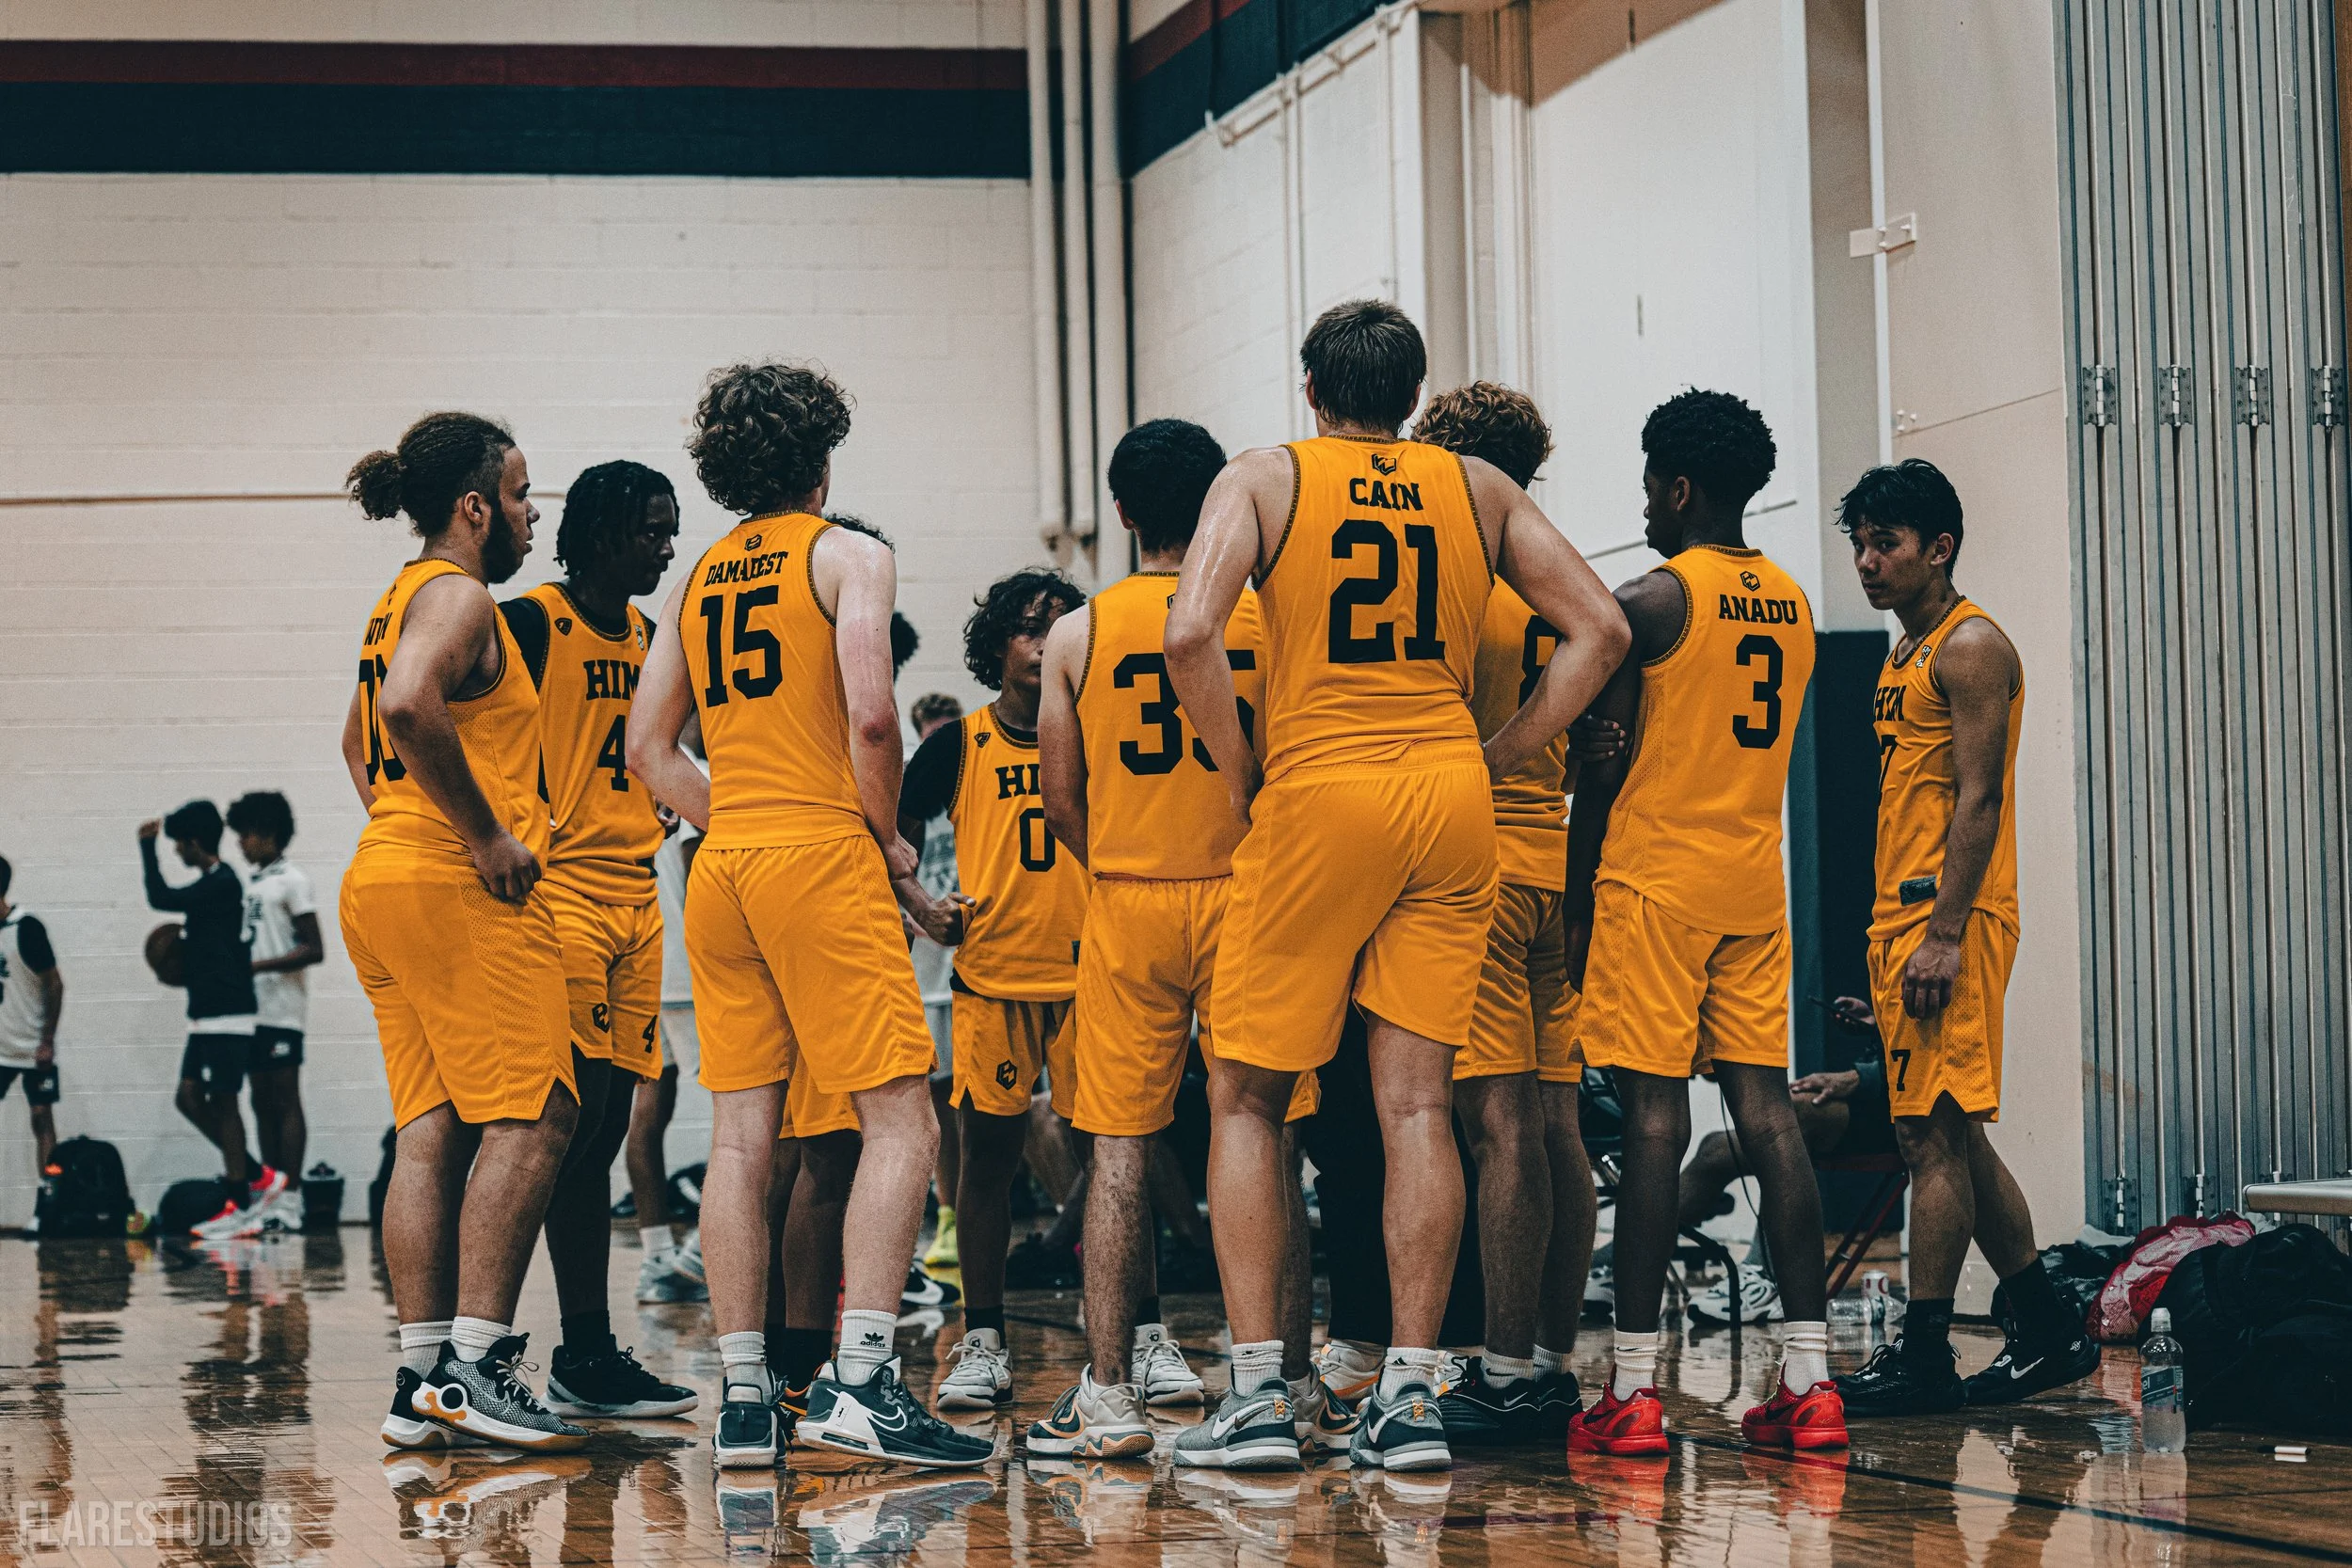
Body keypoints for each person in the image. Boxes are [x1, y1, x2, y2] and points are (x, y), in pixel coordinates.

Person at [1164, 299, 1628, 1471]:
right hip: (1451, 800)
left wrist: (1244, 769)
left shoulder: (1267, 475)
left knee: (1248, 1095)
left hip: (1324, 787)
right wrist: (1507, 753)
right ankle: (1413, 1399)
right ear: (1411, 394)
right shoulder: (1476, 485)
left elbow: (1188, 635)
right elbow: (1602, 628)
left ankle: (1263, 1396)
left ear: (1308, 386)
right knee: (1419, 1102)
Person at [627, 361, 990, 1470]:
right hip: (817, 856)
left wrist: (732, 815)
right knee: (901, 1121)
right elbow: (874, 719)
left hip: (723, 867)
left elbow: (646, 749)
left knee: (740, 1138)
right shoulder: (849, 553)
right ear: (824, 455)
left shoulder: (696, 579)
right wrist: (877, 843)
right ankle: (867, 1382)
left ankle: (745, 1399)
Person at [1028, 419, 1322, 1460]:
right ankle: (1287, 1381)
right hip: (1252, 891)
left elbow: (1061, 801)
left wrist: (1120, 855)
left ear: (1118, 512)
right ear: (1214, 505)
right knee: (1268, 1137)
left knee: (1118, 1148)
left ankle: (1107, 1396)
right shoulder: (1265, 620)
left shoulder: (1077, 633)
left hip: (1130, 896)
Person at [1561, 389, 1844, 1456]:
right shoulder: (1793, 602)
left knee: (1650, 1126)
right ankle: (1812, 1379)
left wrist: (1580, 900)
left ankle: (1630, 1389)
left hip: (1653, 880)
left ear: (1676, 486)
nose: (1643, 502)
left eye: (1647, 483)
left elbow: (1601, 773)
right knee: (1765, 1114)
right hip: (1749, 883)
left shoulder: (1650, 600)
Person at [340, 411, 586, 1452]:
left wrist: (415, 837)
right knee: (539, 1113)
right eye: (525, 494)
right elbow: (404, 708)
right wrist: (482, 835)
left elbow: (354, 742)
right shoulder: (460, 593)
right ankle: (482, 1367)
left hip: (386, 880)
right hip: (448, 883)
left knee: (431, 1126)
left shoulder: (394, 599)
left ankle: (421, 1375)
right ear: (476, 505)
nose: (534, 515)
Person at [1833, 459, 2098, 1414]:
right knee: (1952, 1131)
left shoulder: (1970, 645)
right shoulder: (1902, 650)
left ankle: (1923, 1352)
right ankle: (2047, 1323)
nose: (1866, 561)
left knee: (1928, 1136)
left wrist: (1944, 935)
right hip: (1904, 918)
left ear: (1937, 547)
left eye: (1885, 543)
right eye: (1857, 542)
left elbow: (1979, 800)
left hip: (1951, 914)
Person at [1406, 382, 1598, 1442]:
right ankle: (1558, 1357)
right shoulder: (1560, 577)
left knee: (1498, 1123)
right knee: (1558, 1119)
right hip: (1560, 862)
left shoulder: (1457, 579)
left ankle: (1508, 1364)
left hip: (1474, 865)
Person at [499, 459, 699, 1422]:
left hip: (636, 898)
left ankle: (588, 1352)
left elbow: (663, 749)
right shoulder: (533, 620)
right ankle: (523, 1346)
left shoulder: (659, 637)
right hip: (558, 896)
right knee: (561, 1133)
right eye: (655, 526)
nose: (667, 544)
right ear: (609, 526)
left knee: (609, 1130)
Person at [896, 569, 1089, 1413]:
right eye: (1027, 626)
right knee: (986, 1166)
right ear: (997, 646)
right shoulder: (957, 745)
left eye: (1060, 622)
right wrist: (925, 911)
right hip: (994, 978)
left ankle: (1142, 1333)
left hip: (1091, 975)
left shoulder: (1097, 730)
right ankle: (983, 1338)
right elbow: (893, 841)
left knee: (1115, 1159)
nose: (1045, 638)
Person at [1679, 996, 1896, 1325]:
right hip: (1879, 1088)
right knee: (1714, 1149)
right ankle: (1613, 1264)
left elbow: (1937, 1047)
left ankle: (1765, 1276)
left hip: (1899, 1111)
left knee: (1790, 1114)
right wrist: (1875, 1024)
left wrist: (1859, 1077)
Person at [142, 800, 286, 1240]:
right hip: (207, 1013)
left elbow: (160, 897)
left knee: (224, 1103)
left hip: (228, 1013)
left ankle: (242, 1206)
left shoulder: (222, 883)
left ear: (192, 843)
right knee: (188, 1098)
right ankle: (259, 1176)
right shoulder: (213, 883)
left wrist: (145, 847)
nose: (177, 854)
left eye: (178, 846)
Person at [227, 791, 321, 1232]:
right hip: (250, 1012)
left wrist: (256, 966)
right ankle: (270, 1192)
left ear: (268, 833)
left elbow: (313, 948)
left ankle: (293, 1197)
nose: (241, 842)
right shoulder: (248, 884)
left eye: (246, 834)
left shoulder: (293, 881)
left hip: (283, 1009)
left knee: (285, 1099)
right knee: (260, 1101)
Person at [905, 691, 966, 1270]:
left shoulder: (982, 775)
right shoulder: (914, 795)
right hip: (928, 964)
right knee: (939, 1095)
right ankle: (948, 1215)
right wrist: (915, 916)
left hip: (983, 954)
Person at [0, 856, 66, 1210]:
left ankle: (50, 1204)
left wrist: (47, 1041)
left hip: (30, 1048)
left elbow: (55, 985)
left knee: (42, 1121)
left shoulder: (26, 928)